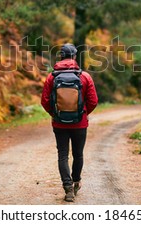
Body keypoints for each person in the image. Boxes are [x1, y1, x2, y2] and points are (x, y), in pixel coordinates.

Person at [41, 43, 98, 202]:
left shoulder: (51, 77)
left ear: (60, 57)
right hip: (80, 123)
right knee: (78, 154)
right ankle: (76, 182)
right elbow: (93, 101)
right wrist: (83, 113)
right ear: (74, 57)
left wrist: (55, 114)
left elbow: (45, 101)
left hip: (59, 124)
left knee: (63, 155)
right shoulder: (84, 76)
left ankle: (68, 189)